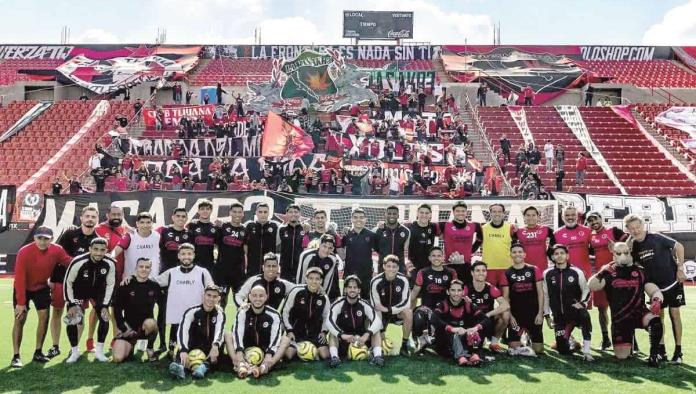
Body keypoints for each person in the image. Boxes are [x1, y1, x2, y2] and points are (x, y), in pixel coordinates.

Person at [588, 242, 665, 366]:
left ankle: (654, 355)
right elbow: (591, 286)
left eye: (626, 252)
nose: (623, 255)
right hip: (620, 320)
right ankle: (629, 344)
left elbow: (654, 290)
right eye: (618, 253)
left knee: (655, 321)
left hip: (639, 314)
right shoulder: (608, 271)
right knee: (622, 357)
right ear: (613, 254)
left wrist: (657, 300)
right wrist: (601, 272)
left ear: (630, 251)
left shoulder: (640, 271)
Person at [625, 214, 686, 363]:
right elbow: (626, 258)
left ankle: (678, 352)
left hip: (672, 282)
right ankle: (661, 352)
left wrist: (680, 267)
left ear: (643, 225)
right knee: (659, 318)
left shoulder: (656, 237)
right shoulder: (633, 246)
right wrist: (628, 242)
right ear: (628, 230)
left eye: (637, 227)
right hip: (655, 288)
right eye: (632, 229)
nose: (636, 230)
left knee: (675, 315)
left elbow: (679, 246)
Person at [11, 227, 72, 368]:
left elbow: (69, 261)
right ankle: (16, 356)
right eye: (39, 238)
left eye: (46, 238)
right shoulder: (24, 252)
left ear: (51, 239)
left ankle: (38, 352)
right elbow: (20, 278)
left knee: (44, 318)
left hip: (42, 287)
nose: (42, 241)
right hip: (23, 287)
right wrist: (21, 303)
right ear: (34, 238)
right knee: (20, 319)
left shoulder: (57, 250)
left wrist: (88, 259)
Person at [49, 207, 99, 359]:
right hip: (60, 280)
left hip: (80, 286)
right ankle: (55, 346)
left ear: (97, 219)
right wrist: (51, 279)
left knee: (78, 316)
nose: (90, 219)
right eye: (87, 216)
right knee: (57, 312)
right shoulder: (70, 234)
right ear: (81, 218)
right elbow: (56, 255)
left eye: (93, 217)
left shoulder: (97, 240)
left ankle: (74, 348)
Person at [152, 243, 214, 356]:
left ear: (194, 255)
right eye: (183, 254)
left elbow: (212, 290)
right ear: (178, 256)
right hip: (177, 317)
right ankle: (171, 349)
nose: (186, 257)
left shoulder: (202, 272)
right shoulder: (171, 272)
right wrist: (133, 277)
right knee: (173, 352)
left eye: (189, 254)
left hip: (196, 317)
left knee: (195, 348)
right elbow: (153, 282)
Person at [63, 238, 117, 363]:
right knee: (72, 320)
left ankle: (99, 351)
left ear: (106, 250)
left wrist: (105, 305)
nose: (99, 253)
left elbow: (110, 285)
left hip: (97, 292)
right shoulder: (78, 261)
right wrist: (71, 303)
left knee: (104, 318)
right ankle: (75, 352)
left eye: (102, 250)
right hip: (78, 292)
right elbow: (68, 282)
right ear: (90, 249)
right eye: (96, 249)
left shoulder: (110, 263)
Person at [543, 244, 594, 362]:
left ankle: (586, 351)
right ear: (552, 257)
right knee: (563, 350)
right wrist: (547, 315)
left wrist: (582, 304)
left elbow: (586, 289)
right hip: (559, 316)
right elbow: (545, 295)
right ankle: (569, 340)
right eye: (556, 254)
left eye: (562, 253)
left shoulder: (576, 272)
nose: (559, 256)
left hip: (575, 313)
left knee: (585, 316)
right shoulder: (547, 274)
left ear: (567, 255)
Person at [586, 211, 628, 350]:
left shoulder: (614, 231)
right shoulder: (589, 237)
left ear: (601, 219)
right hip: (601, 276)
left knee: (622, 308)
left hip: (617, 274)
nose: (594, 222)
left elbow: (628, 245)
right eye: (590, 220)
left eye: (596, 218)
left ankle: (630, 341)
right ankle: (605, 339)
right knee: (601, 309)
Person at [226, 285, 287, 379]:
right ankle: (240, 365)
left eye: (261, 296)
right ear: (249, 297)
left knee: (285, 339)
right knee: (228, 335)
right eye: (254, 295)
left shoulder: (274, 314)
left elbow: (275, 337)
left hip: (265, 350)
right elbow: (238, 332)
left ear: (266, 297)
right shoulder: (243, 312)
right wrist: (239, 351)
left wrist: (269, 353)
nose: (258, 299)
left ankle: (265, 367)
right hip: (246, 350)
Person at [327, 275, 385, 368]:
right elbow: (329, 322)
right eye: (349, 287)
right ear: (345, 289)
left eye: (355, 287)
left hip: (362, 340)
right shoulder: (338, 303)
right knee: (332, 333)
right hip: (344, 339)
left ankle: (377, 357)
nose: (352, 290)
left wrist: (367, 334)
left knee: (376, 330)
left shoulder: (364, 303)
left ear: (359, 290)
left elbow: (377, 321)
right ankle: (335, 358)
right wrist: (342, 335)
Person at [169, 285, 226, 380]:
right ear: (203, 295)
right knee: (180, 350)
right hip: (192, 345)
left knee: (218, 348)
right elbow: (183, 330)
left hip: (209, 348)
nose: (211, 299)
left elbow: (219, 332)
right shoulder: (191, 311)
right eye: (209, 295)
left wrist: (215, 346)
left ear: (218, 299)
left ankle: (204, 367)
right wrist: (183, 349)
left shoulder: (220, 314)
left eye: (214, 296)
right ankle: (180, 367)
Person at [111, 258, 160, 363]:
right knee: (117, 358)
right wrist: (123, 328)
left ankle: (150, 348)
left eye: (147, 267)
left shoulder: (155, 286)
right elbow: (117, 309)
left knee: (151, 323)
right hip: (128, 328)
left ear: (150, 270)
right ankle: (130, 346)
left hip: (145, 327)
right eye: (141, 266)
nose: (144, 269)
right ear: (136, 268)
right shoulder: (126, 285)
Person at [432, 279, 490, 366]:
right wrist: (453, 329)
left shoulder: (468, 305)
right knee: (450, 332)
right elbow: (434, 319)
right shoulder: (442, 305)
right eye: (453, 290)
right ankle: (461, 357)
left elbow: (486, 319)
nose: (456, 293)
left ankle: (474, 354)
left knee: (476, 330)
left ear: (463, 292)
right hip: (446, 342)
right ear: (448, 292)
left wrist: (475, 328)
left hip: (464, 339)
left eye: (459, 290)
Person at [501, 243, 544, 355]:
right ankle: (523, 336)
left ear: (524, 254)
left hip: (533, 314)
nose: (517, 254)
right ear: (510, 254)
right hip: (517, 315)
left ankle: (528, 336)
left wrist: (540, 313)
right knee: (514, 347)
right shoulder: (507, 273)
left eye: (520, 252)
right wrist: (510, 316)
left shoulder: (534, 269)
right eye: (514, 252)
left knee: (538, 350)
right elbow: (505, 298)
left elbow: (540, 293)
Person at [281, 267, 331, 361]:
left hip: (315, 334)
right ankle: (304, 349)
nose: (314, 281)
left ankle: (309, 349)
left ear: (321, 281)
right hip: (296, 334)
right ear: (306, 279)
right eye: (311, 278)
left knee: (325, 355)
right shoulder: (296, 291)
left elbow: (327, 317)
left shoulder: (323, 297)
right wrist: (289, 330)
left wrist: (324, 332)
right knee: (288, 355)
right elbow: (285, 312)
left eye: (317, 279)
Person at [463, 261, 510, 355]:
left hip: (487, 320)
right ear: (472, 273)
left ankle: (493, 343)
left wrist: (488, 314)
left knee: (505, 314)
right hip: (472, 321)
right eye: (478, 270)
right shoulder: (466, 288)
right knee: (472, 347)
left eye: (483, 270)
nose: (481, 273)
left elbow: (506, 305)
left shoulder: (491, 288)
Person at [370, 255, 413, 357]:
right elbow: (375, 305)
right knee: (376, 311)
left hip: (396, 313)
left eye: (394, 266)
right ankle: (377, 344)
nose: (391, 269)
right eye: (388, 266)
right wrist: (382, 332)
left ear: (398, 268)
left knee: (408, 312)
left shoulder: (403, 280)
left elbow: (406, 303)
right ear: (384, 266)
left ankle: (404, 345)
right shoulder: (375, 281)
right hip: (381, 314)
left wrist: (389, 309)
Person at [438, 201, 483, 284]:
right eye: (457, 211)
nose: (460, 213)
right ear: (453, 212)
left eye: (463, 211)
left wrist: (472, 250)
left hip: (466, 264)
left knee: (465, 290)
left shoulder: (474, 225)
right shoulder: (444, 225)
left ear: (466, 212)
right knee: (449, 291)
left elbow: (480, 238)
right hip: (449, 264)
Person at [341, 208, 378, 298]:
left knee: (366, 301)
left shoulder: (371, 235)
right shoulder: (346, 234)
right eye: (356, 217)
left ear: (365, 219)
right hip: (349, 273)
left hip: (366, 275)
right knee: (347, 301)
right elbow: (340, 250)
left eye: (361, 217)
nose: (358, 220)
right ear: (351, 219)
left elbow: (380, 250)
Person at [215, 203, 247, 307]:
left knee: (240, 302)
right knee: (221, 302)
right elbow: (215, 245)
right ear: (230, 213)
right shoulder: (223, 227)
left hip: (238, 273)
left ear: (243, 214)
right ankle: (219, 323)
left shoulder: (245, 230)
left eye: (239, 212)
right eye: (234, 211)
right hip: (222, 273)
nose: (237, 214)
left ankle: (240, 323)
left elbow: (246, 250)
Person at [553, 206, 593, 288]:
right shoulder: (556, 234)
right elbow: (552, 255)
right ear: (562, 217)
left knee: (586, 298)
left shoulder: (588, 231)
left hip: (585, 271)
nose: (570, 217)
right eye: (567, 215)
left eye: (573, 215)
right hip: (565, 272)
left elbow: (595, 249)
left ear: (577, 216)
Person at [113, 212, 161, 279]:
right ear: (137, 224)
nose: (145, 225)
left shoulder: (158, 236)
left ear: (152, 224)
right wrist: (110, 257)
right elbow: (116, 251)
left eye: (148, 222)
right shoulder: (129, 236)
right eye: (142, 222)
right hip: (131, 280)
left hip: (152, 280)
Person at [479, 203, 517, 288]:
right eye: (494, 211)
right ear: (490, 213)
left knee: (506, 297)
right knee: (490, 297)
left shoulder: (511, 228)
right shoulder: (483, 228)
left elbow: (516, 248)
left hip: (507, 268)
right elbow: (474, 245)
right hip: (488, 268)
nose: (497, 214)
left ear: (503, 213)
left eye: (499, 211)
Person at [296, 235, 342, 300]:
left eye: (330, 248)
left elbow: (327, 282)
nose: (326, 250)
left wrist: (323, 297)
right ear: (319, 245)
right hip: (306, 287)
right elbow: (301, 278)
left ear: (333, 249)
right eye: (324, 246)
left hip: (320, 289)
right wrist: (301, 295)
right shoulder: (306, 256)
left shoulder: (333, 259)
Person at [515, 206, 554, 273]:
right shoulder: (518, 231)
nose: (531, 218)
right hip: (524, 268)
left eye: (533, 215)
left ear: (538, 217)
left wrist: (550, 250)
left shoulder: (545, 229)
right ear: (524, 217)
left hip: (542, 267)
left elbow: (555, 237)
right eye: (528, 215)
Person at [407, 204, 440, 283]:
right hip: (413, 266)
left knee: (428, 289)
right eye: (421, 212)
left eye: (426, 213)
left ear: (430, 215)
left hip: (429, 265)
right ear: (417, 213)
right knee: (414, 289)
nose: (424, 215)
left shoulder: (434, 226)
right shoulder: (409, 226)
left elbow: (445, 234)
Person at [244, 203, 279, 277]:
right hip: (252, 266)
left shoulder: (275, 226)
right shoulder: (249, 225)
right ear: (256, 212)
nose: (263, 214)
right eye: (260, 212)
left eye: (265, 212)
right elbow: (245, 244)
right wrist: (247, 257)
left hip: (269, 266)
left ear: (269, 213)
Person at [376, 206, 410, 273]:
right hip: (383, 268)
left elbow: (407, 250)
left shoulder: (406, 231)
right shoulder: (378, 230)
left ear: (398, 215)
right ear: (385, 215)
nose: (392, 216)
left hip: (399, 268)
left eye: (394, 214)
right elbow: (375, 249)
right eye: (389, 213)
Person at [187, 200, 218, 273]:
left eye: (207, 209)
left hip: (209, 263)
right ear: (198, 211)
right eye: (202, 209)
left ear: (211, 211)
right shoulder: (192, 225)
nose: (205, 211)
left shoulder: (215, 227)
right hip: (194, 262)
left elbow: (216, 246)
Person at [278, 204, 305, 281]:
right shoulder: (282, 230)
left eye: (296, 212)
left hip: (300, 267)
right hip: (285, 269)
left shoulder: (305, 229)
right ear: (286, 214)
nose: (293, 214)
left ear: (300, 214)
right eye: (290, 212)